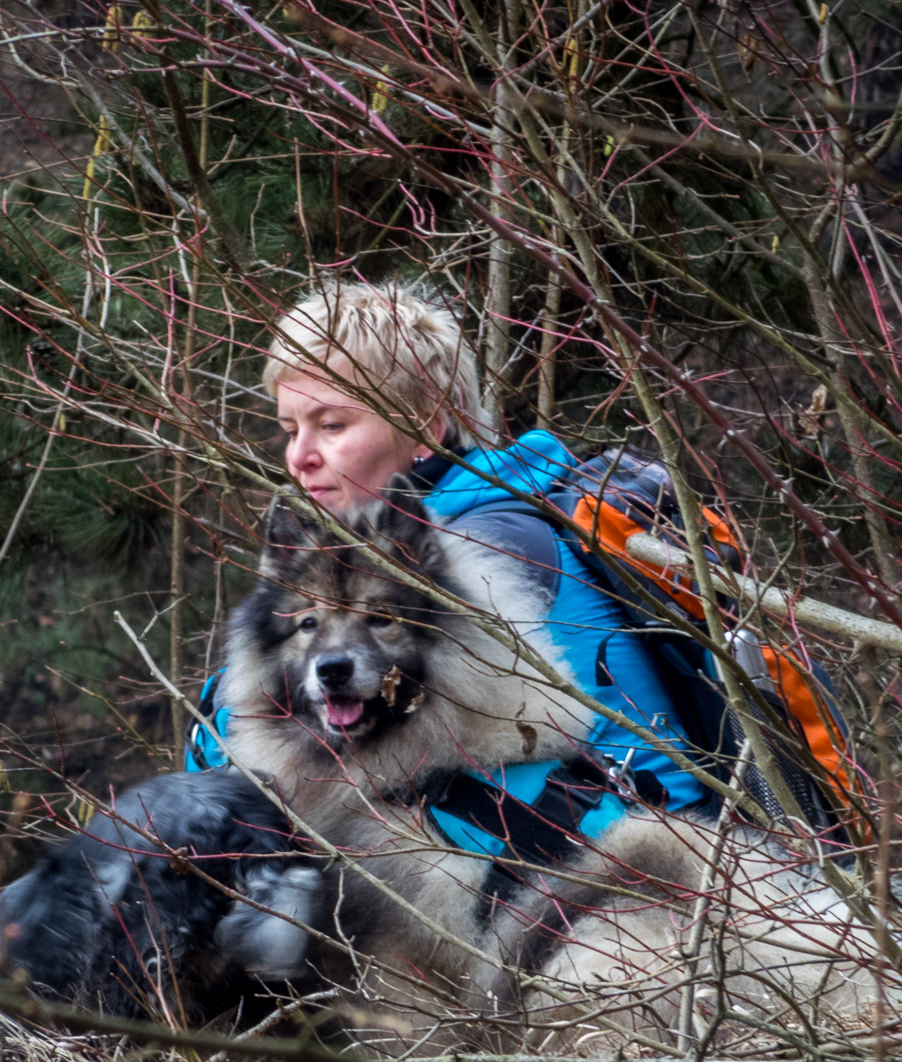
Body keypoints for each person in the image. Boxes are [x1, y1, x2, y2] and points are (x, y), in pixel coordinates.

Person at [188, 277, 713, 831]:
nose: (300, 457)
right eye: (290, 429)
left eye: (332, 425)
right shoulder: (517, 509)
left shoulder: (484, 550)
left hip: (628, 874)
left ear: (426, 424)